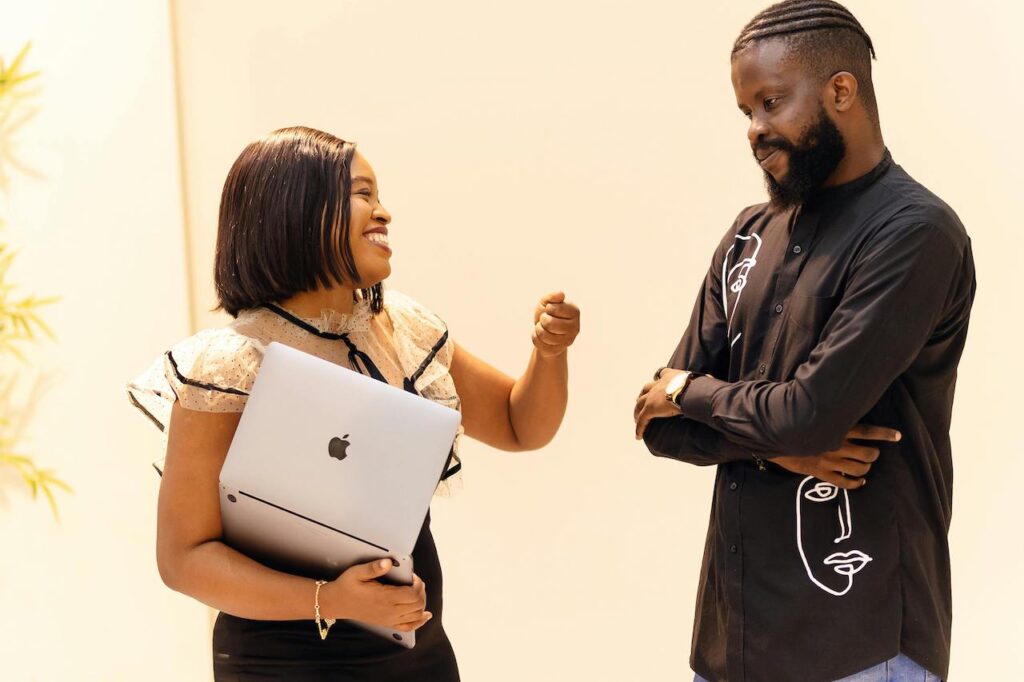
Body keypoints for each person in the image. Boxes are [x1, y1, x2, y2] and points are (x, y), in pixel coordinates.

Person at [127, 126, 580, 681]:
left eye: (379, 195)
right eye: (362, 194)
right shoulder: (228, 365)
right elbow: (184, 559)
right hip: (278, 667)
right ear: (296, 209)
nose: (384, 211)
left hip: (416, 655)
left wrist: (548, 353)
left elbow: (519, 425)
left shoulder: (404, 329)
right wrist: (332, 600)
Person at [633, 2, 975, 681]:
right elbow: (658, 427)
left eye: (770, 103)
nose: (756, 130)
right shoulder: (747, 233)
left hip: (861, 643)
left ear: (841, 91)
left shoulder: (914, 234)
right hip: (731, 642)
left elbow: (810, 414)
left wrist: (689, 391)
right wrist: (784, 451)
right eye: (746, 113)